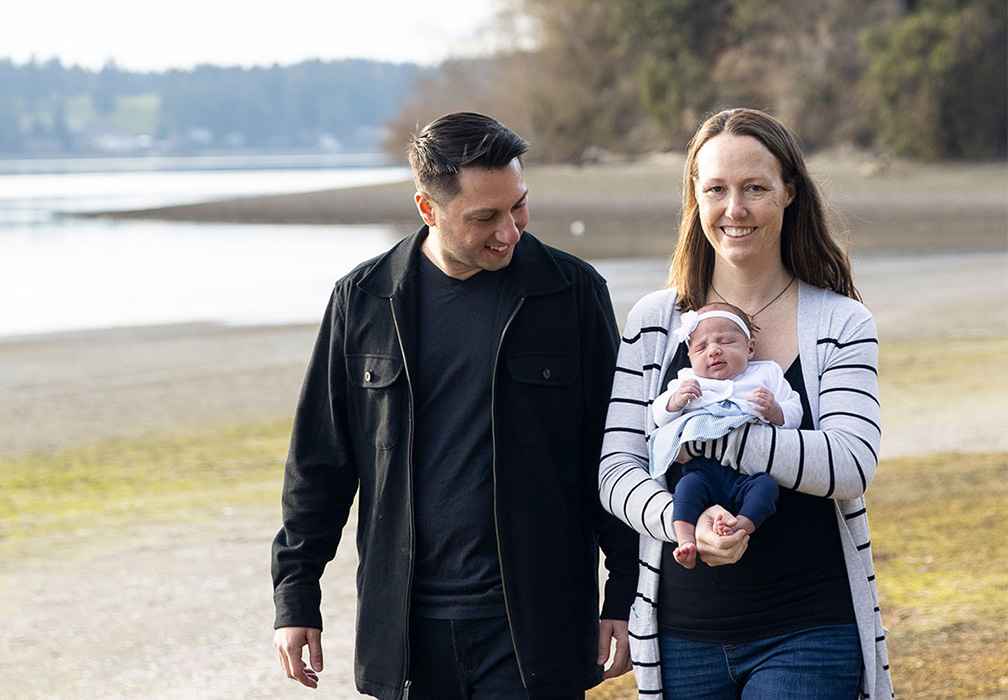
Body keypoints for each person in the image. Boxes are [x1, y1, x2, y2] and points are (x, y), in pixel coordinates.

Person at [272, 111, 640, 700]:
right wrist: (296, 598)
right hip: (408, 634)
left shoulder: (571, 293)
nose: (510, 231)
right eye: (484, 218)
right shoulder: (363, 300)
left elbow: (615, 451)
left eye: (518, 206)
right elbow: (319, 464)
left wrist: (625, 592)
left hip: (536, 632)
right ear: (427, 208)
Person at [598, 108, 893, 699]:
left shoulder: (840, 321)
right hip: (682, 641)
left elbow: (852, 463)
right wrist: (685, 524)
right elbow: (616, 471)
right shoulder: (655, 323)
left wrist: (718, 434)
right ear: (695, 197)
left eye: (755, 188)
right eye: (717, 190)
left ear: (789, 192)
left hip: (810, 631)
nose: (734, 209)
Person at [648, 302, 803, 569]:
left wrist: (775, 410)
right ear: (690, 356)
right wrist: (675, 401)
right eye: (701, 347)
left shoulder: (766, 374)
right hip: (704, 471)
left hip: (751, 472)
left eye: (726, 341)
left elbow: (795, 413)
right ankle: (685, 539)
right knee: (685, 490)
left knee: (766, 489)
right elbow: (659, 417)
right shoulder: (687, 380)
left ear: (750, 347)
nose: (714, 351)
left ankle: (739, 528)